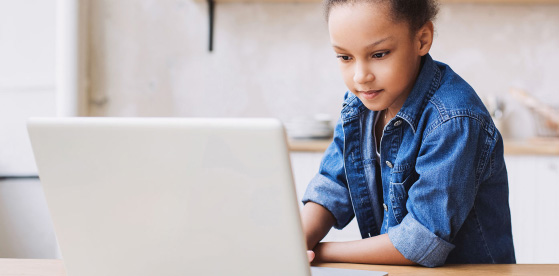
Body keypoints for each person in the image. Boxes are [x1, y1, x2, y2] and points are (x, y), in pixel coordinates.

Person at [301, 0, 515, 267]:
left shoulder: (454, 120)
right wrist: (297, 242)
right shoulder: (361, 105)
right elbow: (334, 184)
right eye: (345, 57)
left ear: (422, 39)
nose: (360, 76)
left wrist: (319, 253)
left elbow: (421, 242)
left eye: (378, 54)